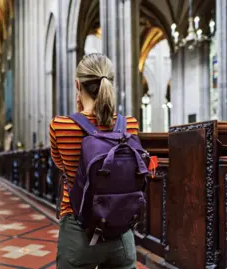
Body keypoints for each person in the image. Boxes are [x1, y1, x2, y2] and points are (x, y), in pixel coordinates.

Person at [49, 53, 140, 268]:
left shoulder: (60, 125)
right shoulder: (130, 125)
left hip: (78, 231)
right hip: (121, 231)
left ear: (77, 85)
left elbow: (61, 166)